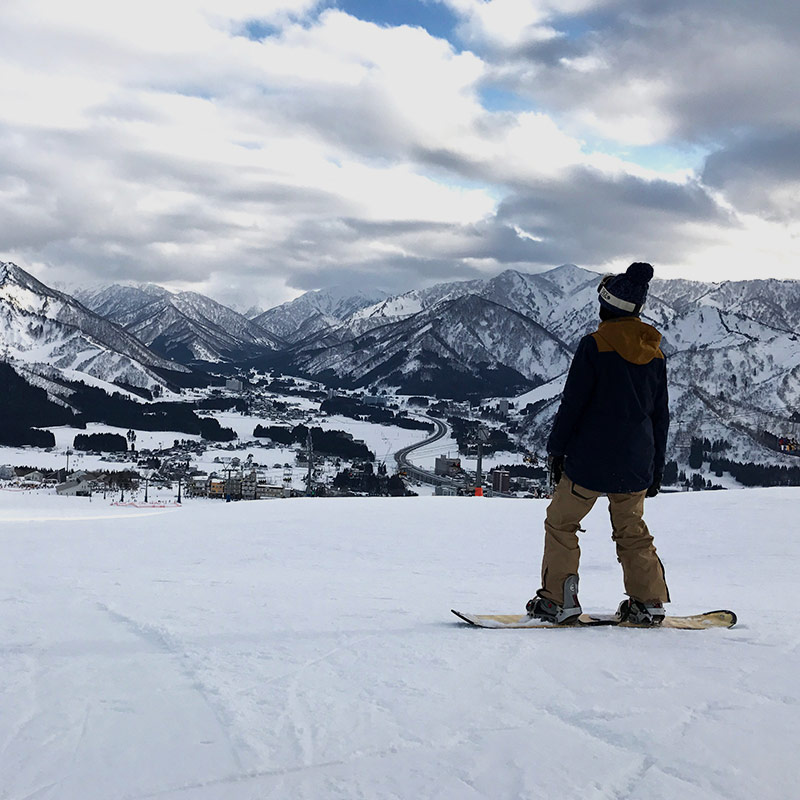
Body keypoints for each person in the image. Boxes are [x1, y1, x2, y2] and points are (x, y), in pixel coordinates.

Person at [527, 262, 670, 626]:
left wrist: (556, 450)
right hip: (636, 462)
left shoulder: (595, 345)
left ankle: (558, 600)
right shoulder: (654, 353)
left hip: (589, 460)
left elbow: (573, 404)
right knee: (632, 531)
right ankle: (648, 602)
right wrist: (655, 469)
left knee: (561, 523)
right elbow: (660, 417)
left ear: (606, 306)